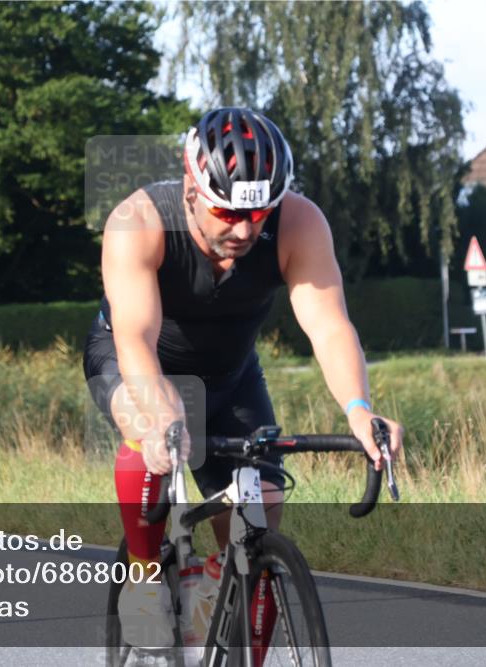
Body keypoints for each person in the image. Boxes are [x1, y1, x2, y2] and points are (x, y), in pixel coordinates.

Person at [83, 108, 405, 650]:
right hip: (141, 361)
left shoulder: (298, 223)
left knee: (260, 523)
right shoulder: (138, 221)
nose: (244, 229)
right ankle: (141, 581)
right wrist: (160, 411)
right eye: (227, 212)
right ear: (191, 187)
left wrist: (358, 408)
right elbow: (135, 338)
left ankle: (224, 599)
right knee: (147, 430)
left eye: (259, 213)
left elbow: (328, 326)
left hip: (231, 373)